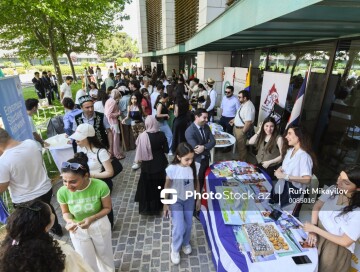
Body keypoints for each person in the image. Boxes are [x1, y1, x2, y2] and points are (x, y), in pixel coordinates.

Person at [0, 128, 63, 236]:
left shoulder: (3, 161)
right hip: (45, 189)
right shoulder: (32, 143)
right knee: (48, 209)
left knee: (34, 225)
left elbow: (2, 187)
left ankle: (43, 240)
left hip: (25, 200)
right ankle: (57, 229)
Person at [58, 153, 114, 272]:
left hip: (99, 223)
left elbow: (107, 208)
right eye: (64, 181)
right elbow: (65, 212)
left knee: (105, 255)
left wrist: (92, 218)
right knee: (85, 259)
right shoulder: (62, 192)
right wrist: (69, 221)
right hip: (77, 228)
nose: (68, 186)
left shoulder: (100, 186)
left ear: (86, 176)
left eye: (73, 181)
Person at [0, 200, 93, 272]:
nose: (53, 214)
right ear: (46, 227)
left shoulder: (7, 252)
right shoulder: (63, 252)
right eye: (51, 213)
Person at [303, 165, 360, 272]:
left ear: (358, 188)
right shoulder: (333, 189)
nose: (339, 183)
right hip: (316, 237)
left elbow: (345, 241)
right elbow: (317, 206)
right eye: (339, 178)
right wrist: (313, 229)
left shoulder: (357, 211)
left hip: (334, 251)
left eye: (346, 183)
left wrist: (314, 229)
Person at [70, 124, 116, 227]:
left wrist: (91, 175)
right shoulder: (79, 149)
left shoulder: (101, 152)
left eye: (79, 138)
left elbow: (110, 172)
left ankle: (109, 225)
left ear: (88, 138)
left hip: (100, 184)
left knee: (104, 206)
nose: (76, 141)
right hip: (86, 184)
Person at [163, 142, 201, 265]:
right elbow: (167, 185)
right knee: (179, 226)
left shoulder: (194, 166)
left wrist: (198, 198)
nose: (190, 162)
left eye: (191, 159)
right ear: (178, 157)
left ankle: (185, 242)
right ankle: (175, 248)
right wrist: (165, 203)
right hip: (176, 200)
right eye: (187, 159)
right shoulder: (172, 169)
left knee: (189, 224)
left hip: (189, 199)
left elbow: (196, 182)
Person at [274, 125, 316, 216]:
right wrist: (279, 170)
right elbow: (286, 167)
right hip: (282, 188)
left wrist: (285, 176)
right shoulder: (290, 150)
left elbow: (307, 179)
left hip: (292, 194)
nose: (286, 137)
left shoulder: (304, 156)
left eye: (289, 133)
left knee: (285, 217)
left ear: (299, 136)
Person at [134, 116, 168, 215]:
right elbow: (166, 150)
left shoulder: (142, 136)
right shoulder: (161, 134)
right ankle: (159, 205)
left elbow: (138, 147)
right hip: (160, 164)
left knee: (148, 187)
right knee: (159, 185)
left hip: (147, 165)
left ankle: (148, 208)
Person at [185, 108, 216, 193]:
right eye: (204, 117)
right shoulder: (189, 131)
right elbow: (197, 150)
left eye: (207, 118)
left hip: (206, 159)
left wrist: (204, 147)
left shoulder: (206, 127)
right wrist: (205, 147)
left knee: (204, 178)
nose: (207, 120)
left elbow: (213, 141)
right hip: (197, 161)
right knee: (197, 181)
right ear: (196, 117)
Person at [229, 90, 255, 162]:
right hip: (237, 128)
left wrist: (243, 132)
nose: (238, 98)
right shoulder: (244, 104)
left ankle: (242, 163)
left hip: (241, 130)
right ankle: (240, 159)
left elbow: (248, 122)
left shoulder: (248, 107)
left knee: (242, 148)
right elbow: (241, 115)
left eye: (240, 97)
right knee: (239, 146)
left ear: (245, 98)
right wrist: (234, 120)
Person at [122, 93, 145, 170]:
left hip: (141, 125)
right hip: (133, 125)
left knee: (142, 142)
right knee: (137, 142)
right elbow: (128, 116)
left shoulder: (141, 106)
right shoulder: (129, 107)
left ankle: (139, 160)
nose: (133, 100)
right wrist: (124, 119)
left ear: (137, 99)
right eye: (132, 99)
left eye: (135, 99)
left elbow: (144, 115)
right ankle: (139, 159)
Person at [105, 88, 125, 160]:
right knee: (115, 139)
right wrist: (118, 113)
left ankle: (113, 153)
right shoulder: (113, 102)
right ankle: (117, 154)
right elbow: (109, 114)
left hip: (110, 123)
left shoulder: (109, 100)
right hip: (113, 122)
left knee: (112, 139)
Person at [171, 87, 189, 153]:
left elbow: (176, 114)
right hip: (184, 120)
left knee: (176, 136)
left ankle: (176, 150)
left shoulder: (176, 102)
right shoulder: (186, 101)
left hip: (178, 121)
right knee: (182, 136)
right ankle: (183, 149)